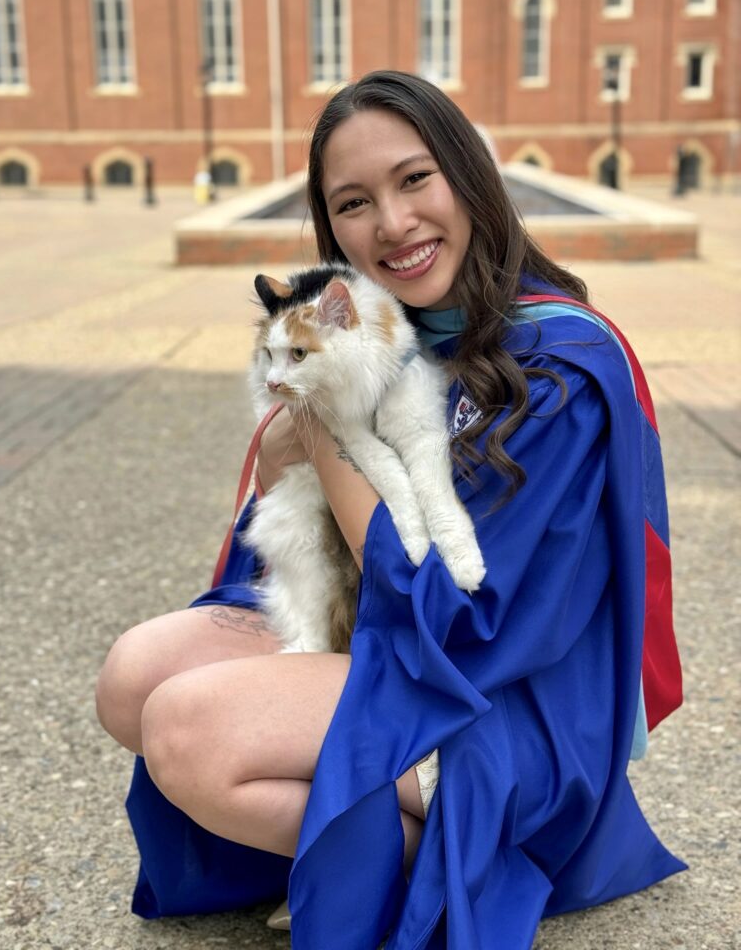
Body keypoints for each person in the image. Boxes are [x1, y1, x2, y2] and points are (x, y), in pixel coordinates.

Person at [95, 70, 685, 949]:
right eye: (353, 202)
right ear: (329, 227)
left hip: (494, 702)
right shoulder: (381, 337)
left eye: (415, 180)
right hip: (382, 643)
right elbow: (294, 562)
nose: (393, 224)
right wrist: (279, 469)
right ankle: (352, 810)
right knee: (132, 677)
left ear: (467, 175)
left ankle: (429, 856)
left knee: (187, 733)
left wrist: (329, 433)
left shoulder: (559, 366)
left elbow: (471, 619)